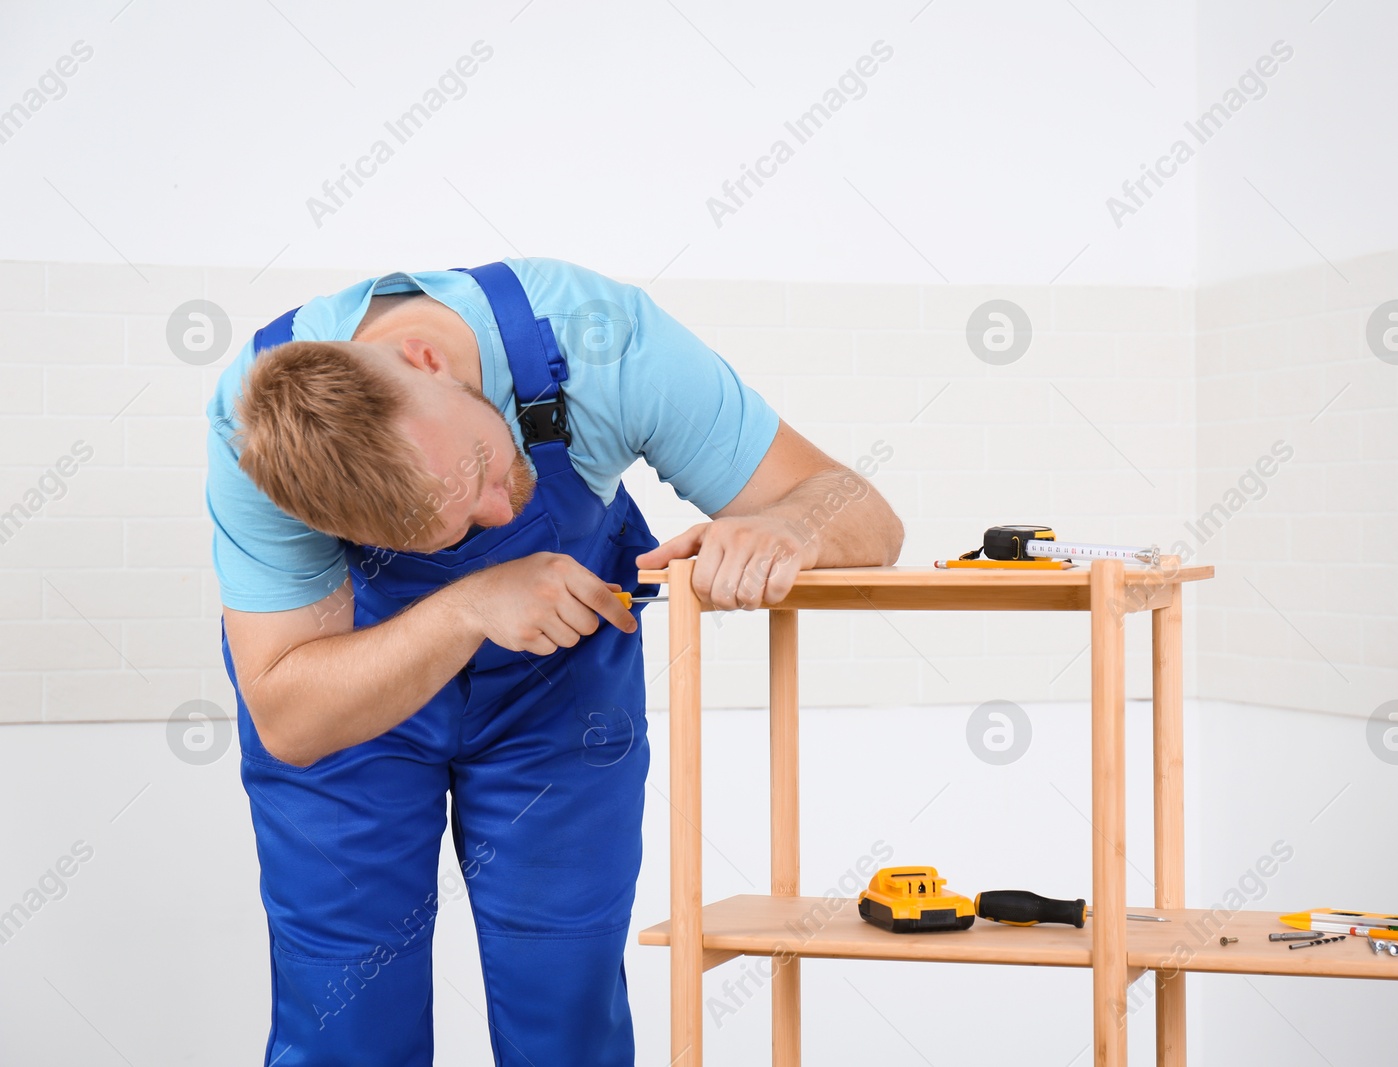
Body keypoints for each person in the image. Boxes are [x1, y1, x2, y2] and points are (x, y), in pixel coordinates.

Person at [204, 257, 903, 1066]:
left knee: (562, 1001)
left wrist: (793, 529)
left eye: (481, 471)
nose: (500, 512)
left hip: (559, 690)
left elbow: (865, 514)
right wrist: (469, 606)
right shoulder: (259, 441)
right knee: (343, 1015)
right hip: (358, 692)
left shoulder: (602, 345)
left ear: (427, 361)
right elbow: (290, 716)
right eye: (453, 530)